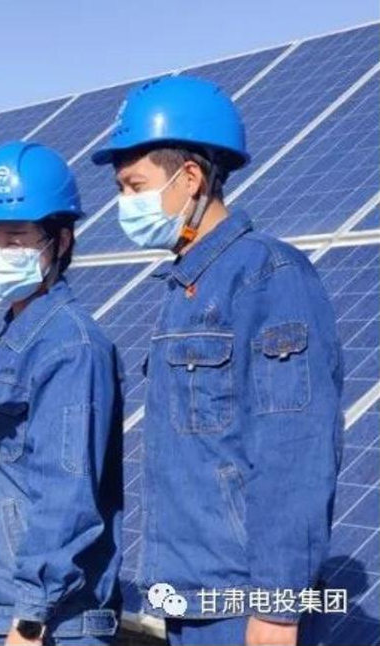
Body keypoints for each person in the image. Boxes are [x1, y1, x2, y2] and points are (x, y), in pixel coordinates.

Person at [90, 76, 344, 646]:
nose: (125, 204)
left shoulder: (268, 276)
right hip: (193, 594)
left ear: (190, 178)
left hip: (243, 603)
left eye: (134, 186)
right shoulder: (186, 286)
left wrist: (278, 607)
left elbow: (294, 449)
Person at [0, 141, 123, 646]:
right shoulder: (10, 337)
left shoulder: (71, 346)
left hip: (48, 624)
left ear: (61, 240)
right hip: (0, 612)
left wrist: (31, 617)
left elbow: (66, 493)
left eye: (16, 238)